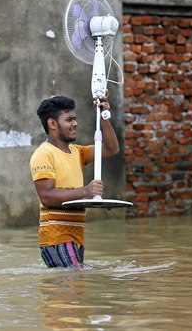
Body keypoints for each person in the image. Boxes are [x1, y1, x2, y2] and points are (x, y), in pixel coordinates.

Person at [30, 92, 119, 270]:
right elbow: (46, 196)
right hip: (56, 237)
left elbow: (111, 149)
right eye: (69, 119)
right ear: (52, 123)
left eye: (75, 119)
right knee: (73, 285)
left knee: (72, 291)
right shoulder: (43, 154)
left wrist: (103, 115)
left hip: (76, 235)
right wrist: (86, 191)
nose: (75, 124)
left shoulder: (78, 152)